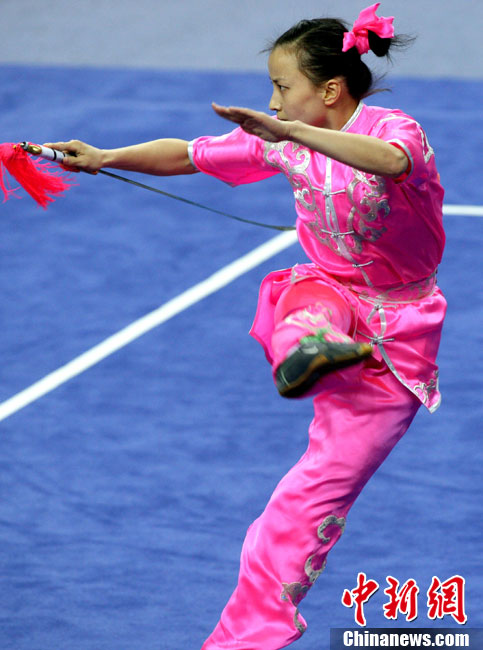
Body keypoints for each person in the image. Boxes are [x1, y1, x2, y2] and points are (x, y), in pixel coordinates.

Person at [45, 4, 447, 648]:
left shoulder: (395, 131)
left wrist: (289, 134)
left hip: (401, 332)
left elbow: (390, 162)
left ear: (330, 90)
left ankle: (246, 635)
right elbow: (188, 155)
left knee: (303, 502)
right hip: (329, 293)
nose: (273, 101)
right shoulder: (281, 135)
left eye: (282, 87)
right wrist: (104, 155)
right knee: (300, 297)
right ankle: (314, 347)